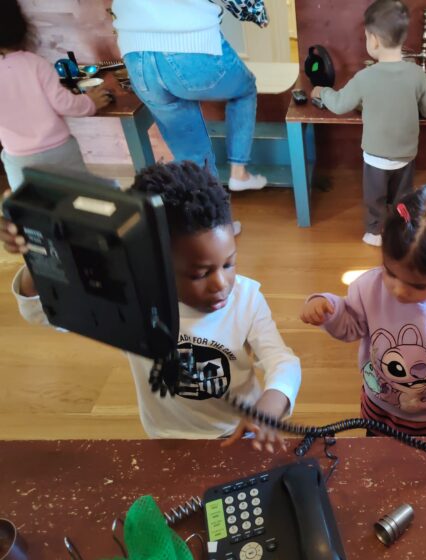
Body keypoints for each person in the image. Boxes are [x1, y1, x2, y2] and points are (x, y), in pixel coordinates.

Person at [1, 161, 301, 448]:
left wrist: (269, 408)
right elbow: (44, 312)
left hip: (239, 432)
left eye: (229, 263)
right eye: (200, 274)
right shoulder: (134, 301)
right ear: (152, 265)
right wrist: (35, 256)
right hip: (167, 436)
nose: (221, 284)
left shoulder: (247, 299)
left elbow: (282, 361)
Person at [300, 184, 426, 474]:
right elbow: (351, 327)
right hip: (376, 404)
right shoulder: (368, 287)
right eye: (390, 272)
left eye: (417, 285)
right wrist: (331, 310)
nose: (398, 290)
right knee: (376, 463)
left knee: (419, 470)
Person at [311, 0, 426, 247]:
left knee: (375, 196)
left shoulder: (365, 77)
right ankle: (401, 228)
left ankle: (374, 232)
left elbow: (339, 104)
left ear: (374, 40)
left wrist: (322, 91)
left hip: (376, 157)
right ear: (403, 37)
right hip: (405, 155)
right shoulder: (417, 74)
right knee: (403, 195)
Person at [111, 0, 269, 191]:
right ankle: (239, 173)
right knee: (245, 89)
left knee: (192, 160)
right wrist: (257, 14)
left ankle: (213, 209)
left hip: (135, 54)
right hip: (190, 42)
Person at [0, 0, 111, 191]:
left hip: (18, 157)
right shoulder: (35, 64)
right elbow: (63, 103)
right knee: (78, 196)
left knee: (30, 204)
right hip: (58, 150)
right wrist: (90, 102)